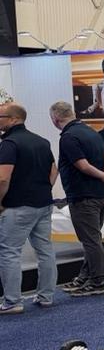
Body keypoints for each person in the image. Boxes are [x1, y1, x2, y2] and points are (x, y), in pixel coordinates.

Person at [50, 101, 104, 297]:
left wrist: (103, 176)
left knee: (91, 241)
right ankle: (85, 277)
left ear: (56, 119)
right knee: (92, 239)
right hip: (100, 194)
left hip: (83, 196)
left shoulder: (68, 137)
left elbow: (82, 165)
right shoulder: (91, 132)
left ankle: (98, 282)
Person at [0, 104, 58, 314]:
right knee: (45, 250)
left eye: (1, 116)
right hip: (43, 203)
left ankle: (12, 301)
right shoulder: (42, 141)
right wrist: (43, 189)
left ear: (14, 119)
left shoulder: (9, 144)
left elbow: (3, 178)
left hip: (18, 205)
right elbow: (54, 170)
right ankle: (46, 296)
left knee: (9, 252)